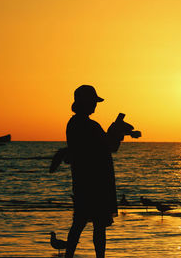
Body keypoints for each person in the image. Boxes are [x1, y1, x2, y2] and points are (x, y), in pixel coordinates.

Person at [65, 85, 126, 258]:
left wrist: (115, 132)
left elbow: (101, 146)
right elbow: (108, 146)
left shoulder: (74, 124)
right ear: (86, 102)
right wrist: (117, 130)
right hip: (95, 183)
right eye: (93, 102)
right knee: (97, 225)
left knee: (79, 223)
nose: (95, 105)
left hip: (83, 181)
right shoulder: (88, 125)